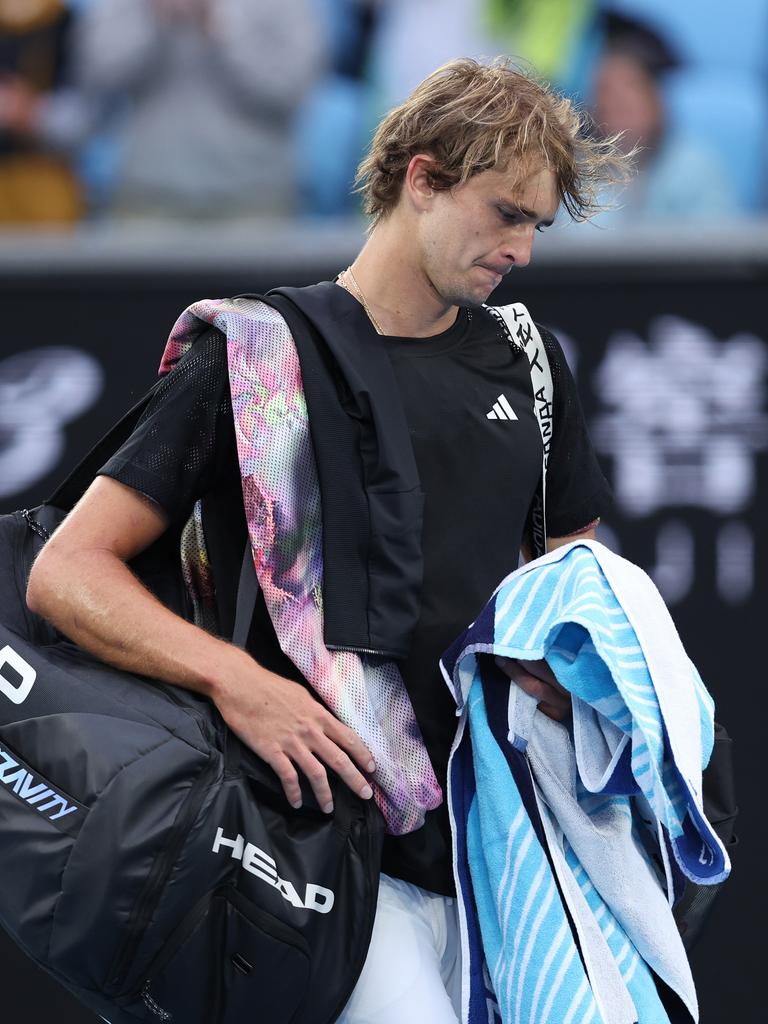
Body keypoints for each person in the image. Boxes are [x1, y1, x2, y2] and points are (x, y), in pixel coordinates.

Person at [26, 57, 627, 1023]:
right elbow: (67, 573)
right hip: (313, 852)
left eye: (536, 224)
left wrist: (567, 662)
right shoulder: (256, 356)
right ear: (423, 177)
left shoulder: (531, 362)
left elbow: (571, 560)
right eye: (505, 211)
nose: (522, 247)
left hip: (504, 847)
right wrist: (241, 683)